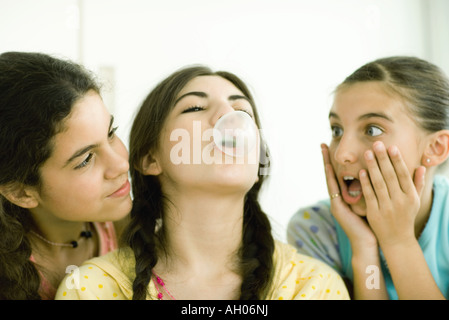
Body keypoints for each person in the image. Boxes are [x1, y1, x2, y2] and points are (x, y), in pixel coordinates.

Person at [56, 65, 349, 300]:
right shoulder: (91, 289)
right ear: (150, 158)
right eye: (195, 108)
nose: (228, 117)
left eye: (242, 112)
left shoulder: (313, 286)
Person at [287, 56, 449, 300]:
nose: (341, 154)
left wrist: (398, 242)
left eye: (372, 130)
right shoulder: (315, 230)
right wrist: (364, 250)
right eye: (337, 130)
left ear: (435, 148)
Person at [0, 52, 132, 300]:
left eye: (111, 133)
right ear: (21, 192)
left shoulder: (138, 229)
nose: (121, 164)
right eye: (85, 160)